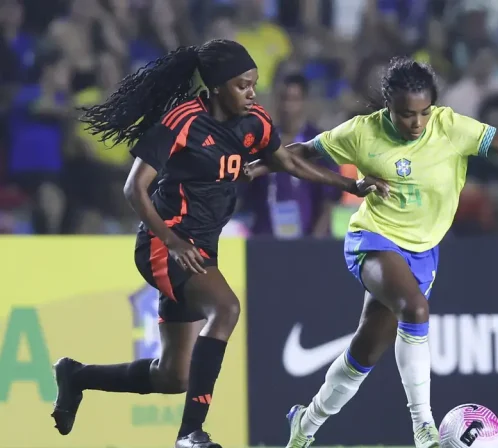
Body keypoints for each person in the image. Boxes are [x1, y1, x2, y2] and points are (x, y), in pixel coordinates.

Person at [50, 39, 387, 448]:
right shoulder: (183, 121)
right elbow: (134, 188)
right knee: (226, 308)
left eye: (254, 84)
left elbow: (289, 163)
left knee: (173, 376)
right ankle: (190, 433)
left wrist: (351, 184)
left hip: (201, 249)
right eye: (243, 85)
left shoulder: (256, 121)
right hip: (164, 244)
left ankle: (77, 376)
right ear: (216, 87)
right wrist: (172, 241)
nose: (252, 92)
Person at [247, 57, 498, 448]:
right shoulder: (361, 133)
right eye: (405, 115)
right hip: (374, 239)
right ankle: (424, 428)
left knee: (363, 354)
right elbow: (302, 152)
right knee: (415, 309)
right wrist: (253, 167)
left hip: (423, 252)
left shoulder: (451, 127)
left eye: (422, 113)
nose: (416, 123)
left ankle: (305, 424)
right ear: (388, 107)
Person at [242, 73, 341, 238]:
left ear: (304, 103)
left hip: (308, 238)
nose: (287, 106)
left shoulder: (321, 144)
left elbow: (329, 199)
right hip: (266, 239)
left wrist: (315, 241)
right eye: (283, 99)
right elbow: (248, 193)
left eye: (294, 99)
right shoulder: (262, 142)